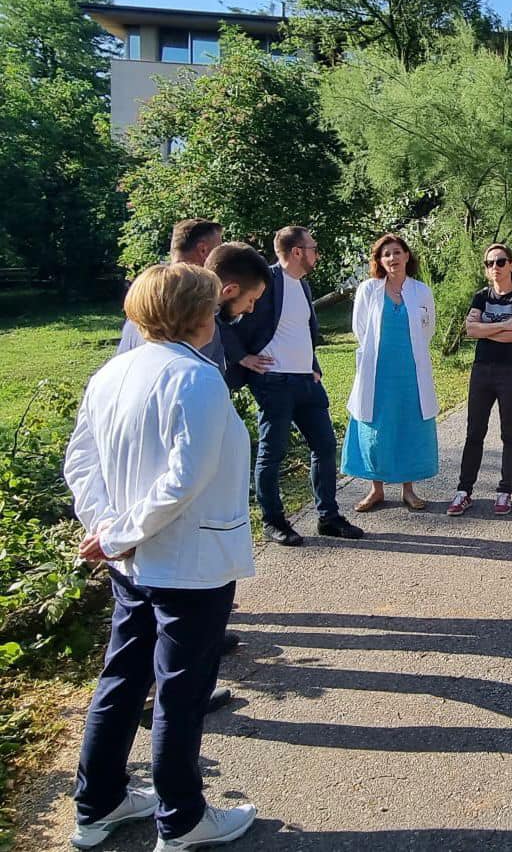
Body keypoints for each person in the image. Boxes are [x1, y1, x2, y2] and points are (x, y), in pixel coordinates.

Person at [63, 264, 258, 850]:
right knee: (180, 692)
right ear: (199, 315)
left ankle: (98, 804)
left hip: (133, 561)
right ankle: (182, 820)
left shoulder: (113, 371)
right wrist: (118, 532)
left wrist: (107, 528)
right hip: (188, 562)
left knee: (122, 679)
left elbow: (80, 463)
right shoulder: (198, 378)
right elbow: (185, 479)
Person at [224, 226, 364, 546]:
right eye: (313, 247)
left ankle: (328, 517)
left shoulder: (302, 284)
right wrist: (242, 357)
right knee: (272, 454)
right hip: (273, 382)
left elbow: (302, 331)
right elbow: (224, 319)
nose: (317, 253)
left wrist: (312, 366)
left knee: (325, 446)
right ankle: (273, 522)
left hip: (306, 381)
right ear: (297, 251)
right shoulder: (266, 280)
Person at [343, 234, 440, 511]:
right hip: (378, 372)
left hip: (411, 372)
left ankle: (409, 490)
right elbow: (360, 329)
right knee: (377, 428)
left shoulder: (421, 291)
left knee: (409, 425)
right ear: (379, 260)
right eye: (386, 254)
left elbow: (428, 328)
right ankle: (376, 489)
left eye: (397, 252)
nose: (392, 258)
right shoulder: (368, 289)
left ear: (407, 256)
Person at [448, 243, 512, 517]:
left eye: (500, 261)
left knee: (510, 432)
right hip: (482, 371)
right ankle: (464, 491)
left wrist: (488, 329)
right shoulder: (481, 297)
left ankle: (505, 491)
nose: (494, 267)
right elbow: (470, 329)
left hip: (511, 372)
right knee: (474, 432)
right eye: (489, 263)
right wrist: (503, 325)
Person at [116, 218, 224, 356]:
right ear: (203, 250)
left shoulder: (149, 288)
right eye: (218, 249)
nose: (221, 257)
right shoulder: (193, 298)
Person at [201, 243, 272, 375]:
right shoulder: (197, 330)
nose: (251, 309)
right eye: (251, 300)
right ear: (230, 290)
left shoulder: (182, 317)